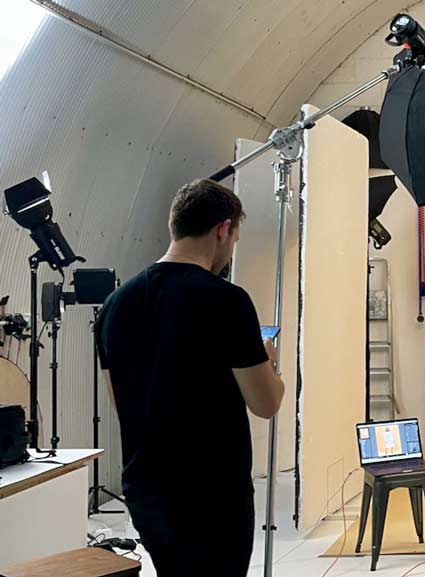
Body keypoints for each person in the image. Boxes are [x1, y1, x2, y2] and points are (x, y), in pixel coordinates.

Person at [96, 179, 285, 577]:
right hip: (213, 497)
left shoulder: (114, 305)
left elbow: (121, 402)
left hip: (147, 493)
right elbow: (266, 403)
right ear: (223, 229)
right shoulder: (227, 300)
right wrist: (268, 361)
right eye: (234, 239)